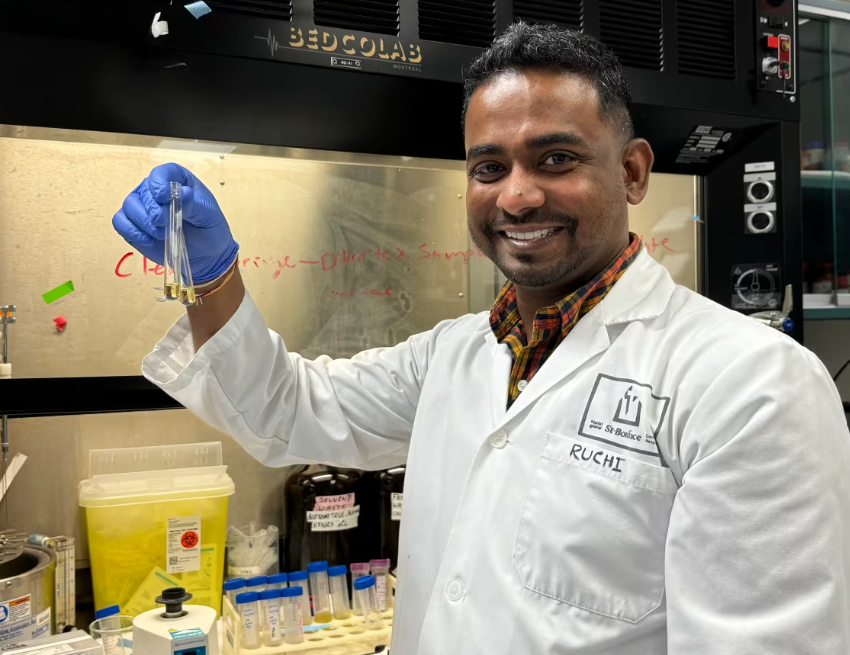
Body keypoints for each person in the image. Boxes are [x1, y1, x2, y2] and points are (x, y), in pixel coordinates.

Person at [113, 23, 850, 655]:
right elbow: (286, 408)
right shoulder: (451, 355)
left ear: (632, 172)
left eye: (556, 159)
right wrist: (213, 277)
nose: (517, 196)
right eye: (489, 167)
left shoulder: (748, 382)